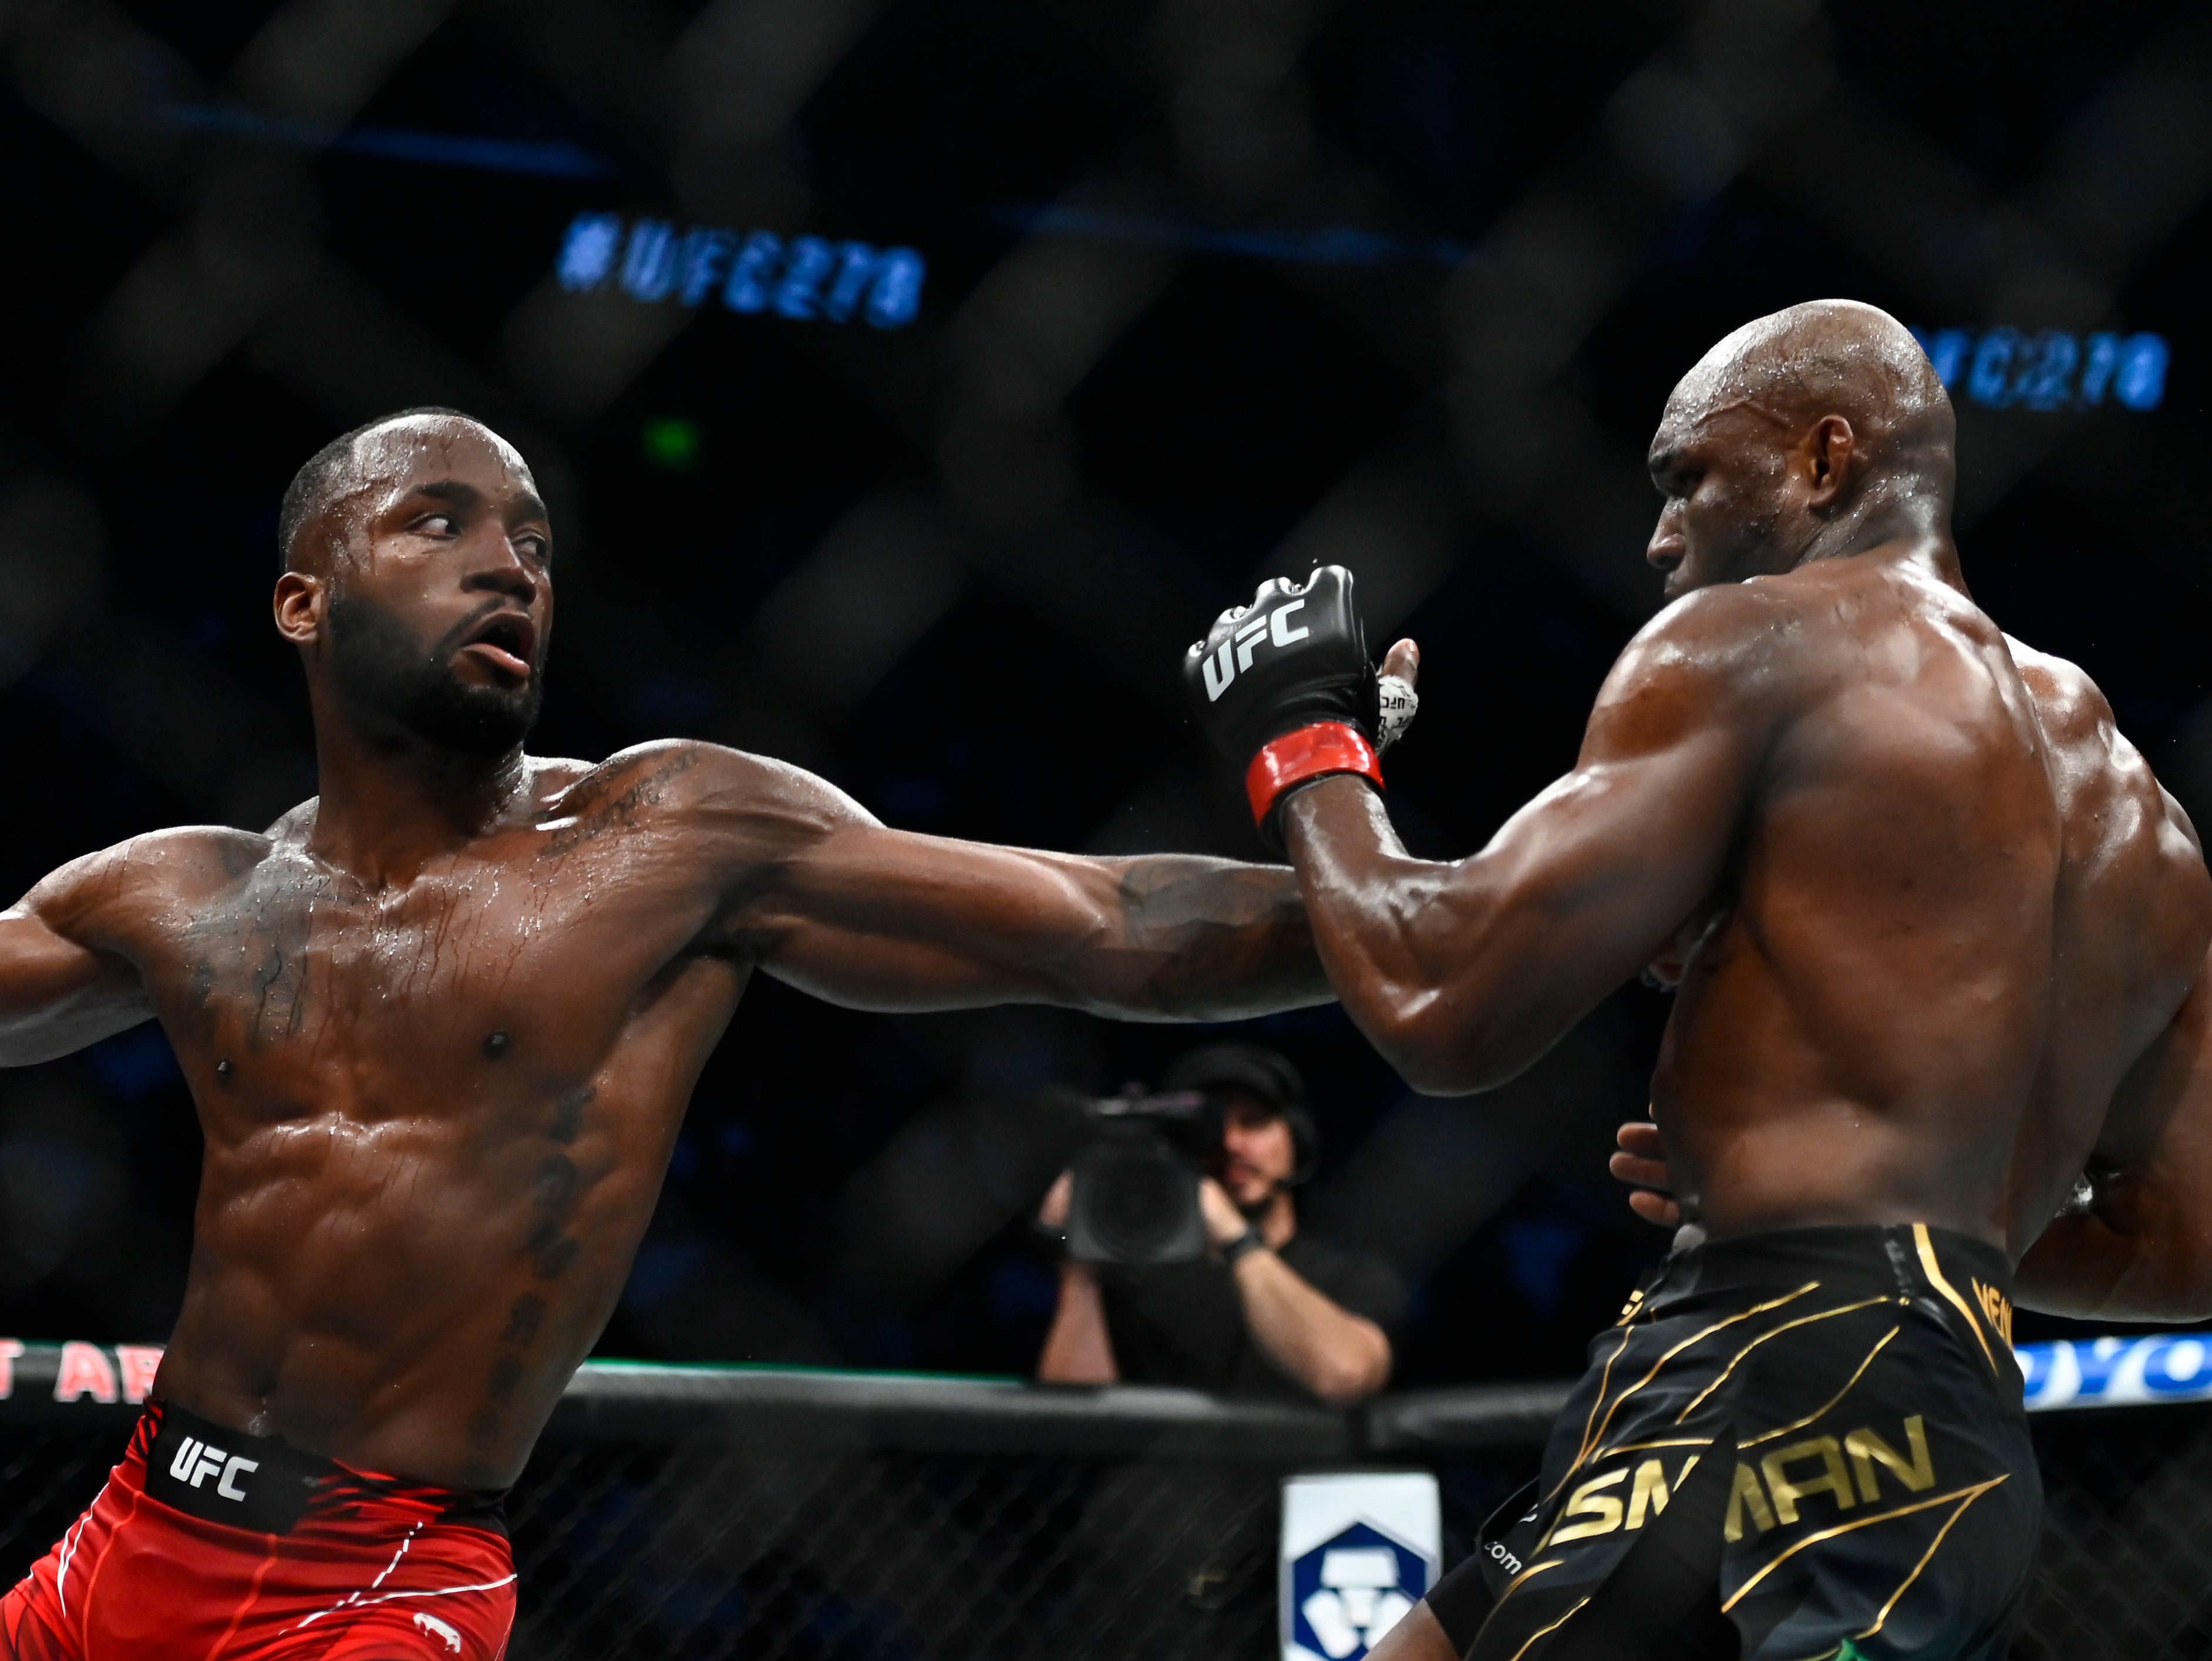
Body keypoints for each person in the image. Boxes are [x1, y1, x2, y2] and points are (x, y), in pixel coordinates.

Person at [0, 408, 1339, 1660]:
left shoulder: (662, 843)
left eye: (531, 542)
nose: (508, 568)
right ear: (304, 600)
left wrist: (1387, 892)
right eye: (439, 523)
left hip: (384, 1576)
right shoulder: (184, 894)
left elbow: (1102, 919)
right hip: (133, 1530)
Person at [1183, 302, 2212, 1660]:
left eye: (1688, 481)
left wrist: (1305, 749)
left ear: (1825, 461)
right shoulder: (2142, 819)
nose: (1660, 537)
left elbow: (1443, 1003)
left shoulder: (1755, 651)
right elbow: (2188, 1248)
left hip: (1759, 1366)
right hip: (1947, 1427)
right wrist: (1905, 1200)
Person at [1033, 1043, 1404, 1403]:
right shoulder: (1142, 1283)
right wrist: (1079, 1261)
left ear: (1298, 1144)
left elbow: (1344, 1374)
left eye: (1253, 1122)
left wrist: (1236, 1238)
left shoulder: (1353, 1277)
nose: (1231, 1144)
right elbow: (1077, 1421)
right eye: (1209, 1131)